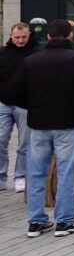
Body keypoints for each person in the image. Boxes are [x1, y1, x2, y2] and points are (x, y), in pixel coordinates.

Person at [3, 20, 74, 237]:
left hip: (39, 124)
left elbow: (13, 93)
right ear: (69, 35)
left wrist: (34, 107)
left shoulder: (32, 61)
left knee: (36, 173)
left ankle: (36, 222)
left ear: (48, 37)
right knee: (66, 172)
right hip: (69, 124)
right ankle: (64, 221)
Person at [0, 23, 41, 193]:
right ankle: (1, 177)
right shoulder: (2, 53)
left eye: (24, 37)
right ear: (11, 35)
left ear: (29, 34)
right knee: (0, 139)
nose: (20, 40)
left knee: (24, 143)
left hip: (25, 104)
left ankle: (20, 177)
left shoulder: (37, 53)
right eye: (17, 37)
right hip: (4, 103)